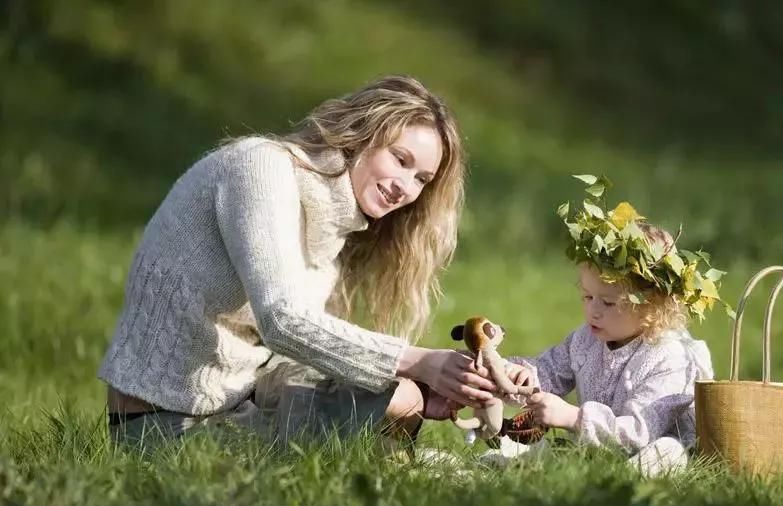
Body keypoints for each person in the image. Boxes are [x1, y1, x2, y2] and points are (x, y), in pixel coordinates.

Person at [99, 75, 495, 449]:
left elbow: (295, 349)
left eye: (422, 179)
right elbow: (282, 320)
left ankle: (409, 458)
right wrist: (417, 362)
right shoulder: (260, 167)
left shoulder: (333, 220)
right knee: (397, 400)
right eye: (400, 159)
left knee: (402, 398)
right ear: (362, 134)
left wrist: (423, 386)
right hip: (164, 426)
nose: (404, 187)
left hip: (239, 399)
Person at [497, 209, 718, 477]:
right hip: (596, 445)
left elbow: (640, 430)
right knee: (528, 445)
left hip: (649, 445)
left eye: (609, 302)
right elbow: (549, 371)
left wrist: (573, 418)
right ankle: (514, 461)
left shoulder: (670, 358)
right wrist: (519, 376)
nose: (594, 311)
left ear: (651, 306)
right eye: (587, 297)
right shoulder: (586, 340)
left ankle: (622, 480)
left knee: (668, 452)